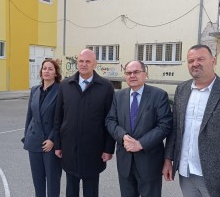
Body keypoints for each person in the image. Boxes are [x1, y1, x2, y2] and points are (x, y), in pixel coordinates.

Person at [162, 44, 220, 197]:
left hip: (218, 177)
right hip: (186, 172)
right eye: (191, 61)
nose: (195, 64)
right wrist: (168, 158)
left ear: (213, 61)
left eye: (200, 59)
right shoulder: (182, 90)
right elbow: (175, 128)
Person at [53, 49, 115, 197]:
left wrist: (108, 149)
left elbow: (111, 119)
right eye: (81, 61)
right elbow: (58, 117)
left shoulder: (106, 87)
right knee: (71, 190)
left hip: (94, 150)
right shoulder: (65, 85)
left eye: (88, 61)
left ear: (95, 64)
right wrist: (58, 144)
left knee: (91, 191)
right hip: (69, 148)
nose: (84, 64)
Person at [105, 60, 173, 197]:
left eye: (136, 72)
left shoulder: (158, 95)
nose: (132, 75)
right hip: (125, 162)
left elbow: (165, 125)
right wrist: (123, 136)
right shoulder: (118, 96)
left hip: (149, 162)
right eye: (128, 73)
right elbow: (110, 121)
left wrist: (140, 144)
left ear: (145, 74)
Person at [22, 59, 62, 197]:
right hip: (34, 141)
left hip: (50, 143)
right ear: (41, 72)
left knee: (52, 181)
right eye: (44, 68)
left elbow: (62, 119)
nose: (47, 71)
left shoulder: (61, 90)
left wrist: (52, 140)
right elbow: (30, 115)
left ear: (56, 73)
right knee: (38, 181)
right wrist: (26, 136)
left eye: (50, 69)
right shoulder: (34, 90)